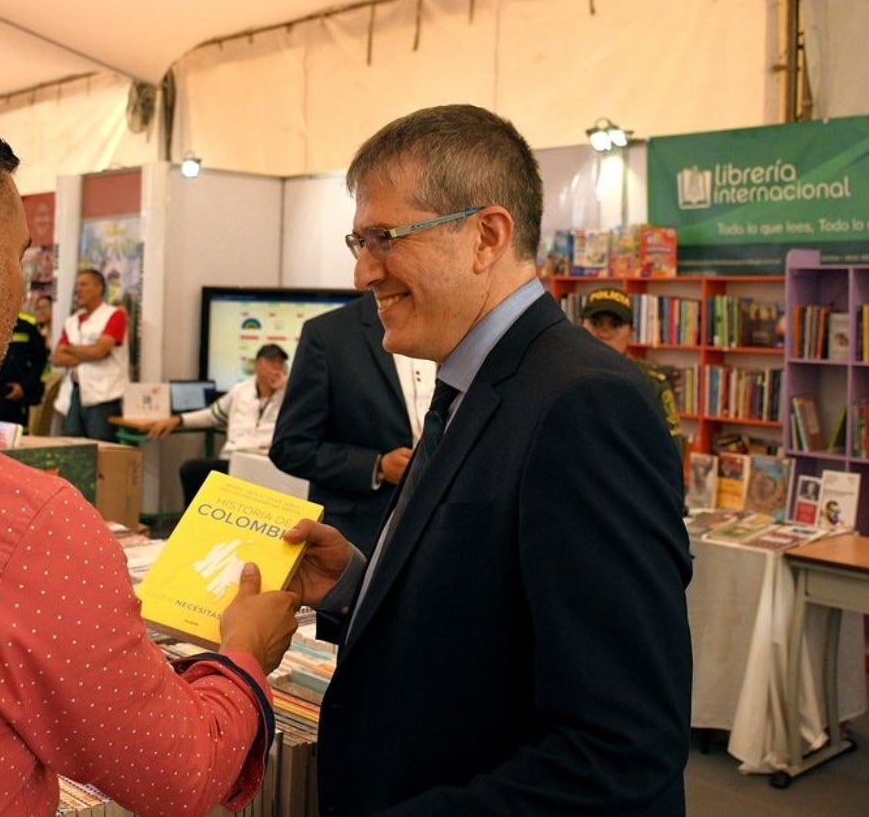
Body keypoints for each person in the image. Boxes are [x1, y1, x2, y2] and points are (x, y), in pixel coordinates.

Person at [0, 93, 299, 815]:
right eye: (19, 258)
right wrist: (243, 655)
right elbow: (182, 771)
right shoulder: (19, 525)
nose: (24, 287)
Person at [283, 104, 692, 814]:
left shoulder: (583, 405)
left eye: (384, 238)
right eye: (358, 240)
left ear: (486, 236)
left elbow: (621, 748)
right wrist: (357, 583)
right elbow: (491, 624)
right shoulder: (480, 382)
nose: (361, 273)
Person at [269, 293, 434, 557]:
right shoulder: (328, 334)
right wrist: (376, 466)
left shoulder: (455, 325)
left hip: (442, 529)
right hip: (360, 534)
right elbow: (290, 447)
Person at [146, 343, 289, 504]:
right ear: (257, 365)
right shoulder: (240, 391)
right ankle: (194, 525)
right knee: (191, 470)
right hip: (234, 459)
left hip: (265, 463)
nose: (276, 368)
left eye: (280, 363)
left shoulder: (290, 394)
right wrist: (179, 419)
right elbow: (212, 415)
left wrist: (288, 389)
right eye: (271, 362)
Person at [580, 286, 686, 457]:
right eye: (596, 323)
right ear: (580, 327)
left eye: (615, 324)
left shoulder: (650, 382)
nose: (605, 333)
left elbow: (672, 452)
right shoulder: (559, 375)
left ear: (631, 333)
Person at [51, 268, 128, 442]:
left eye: (83, 284)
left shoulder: (115, 315)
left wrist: (70, 348)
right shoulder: (72, 321)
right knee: (72, 447)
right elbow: (57, 358)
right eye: (77, 285)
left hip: (103, 396)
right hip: (74, 393)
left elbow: (100, 351)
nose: (78, 290)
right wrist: (89, 352)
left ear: (99, 288)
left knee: (101, 448)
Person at [0, 310, 49, 427]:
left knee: (19, 435)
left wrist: (25, 386)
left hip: (17, 394)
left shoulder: (27, 327)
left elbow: (39, 359)